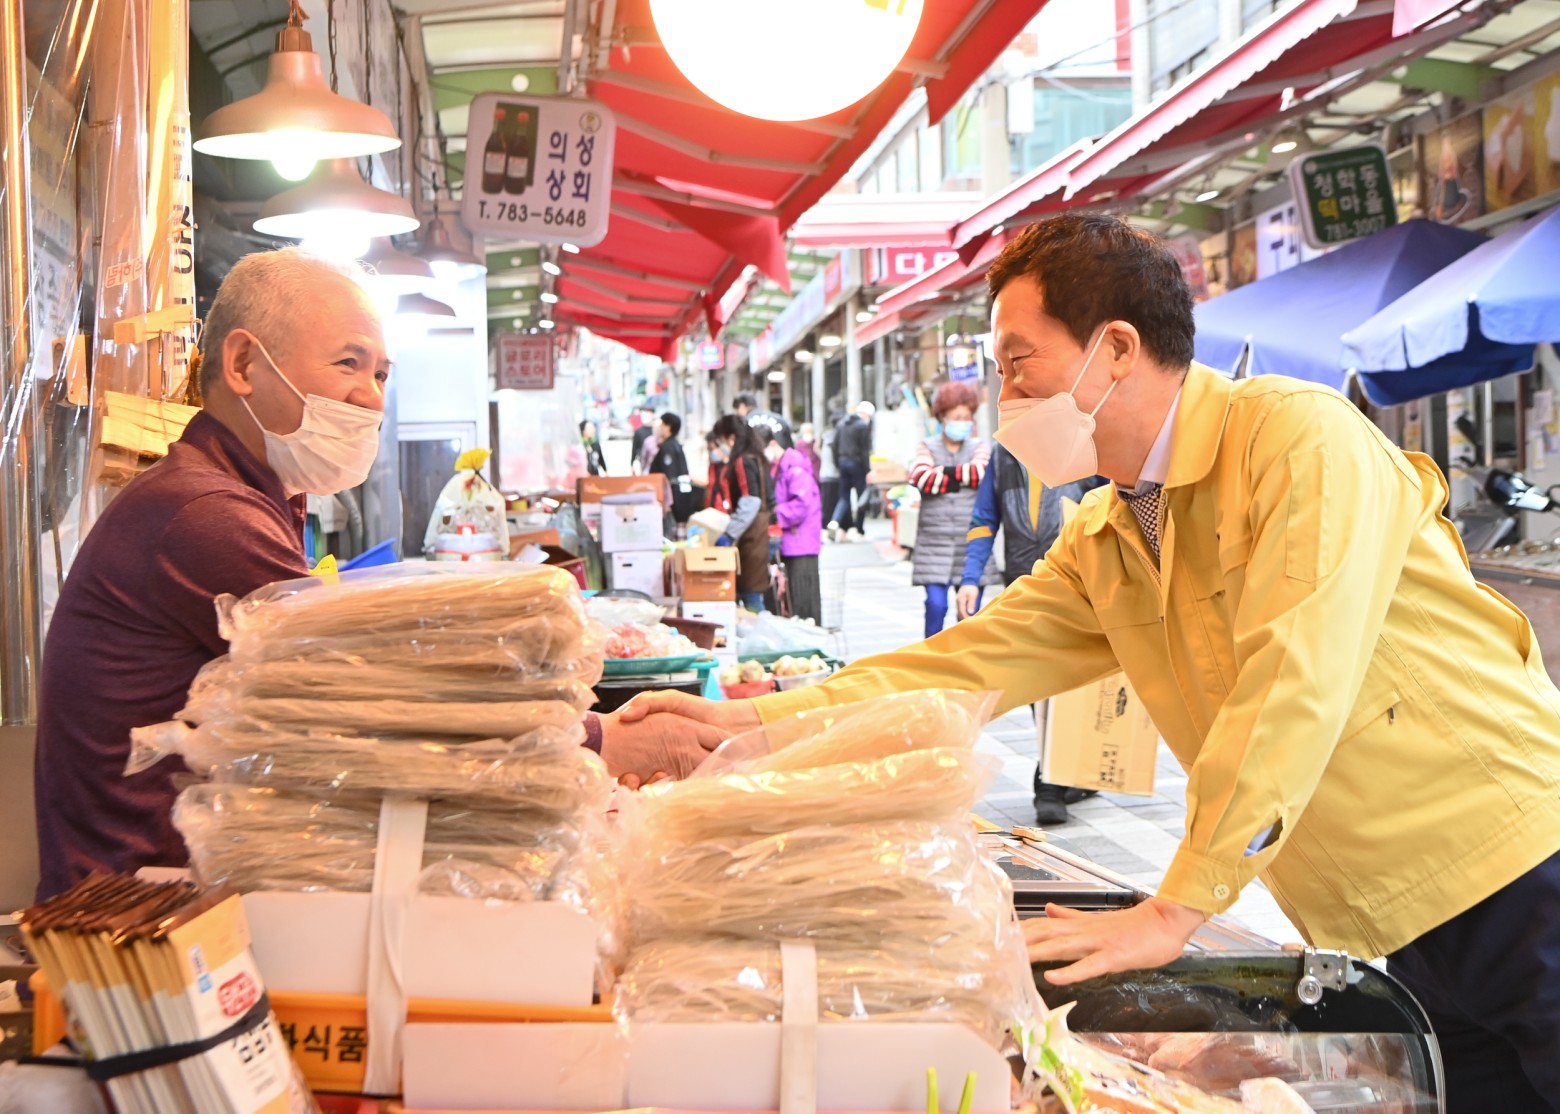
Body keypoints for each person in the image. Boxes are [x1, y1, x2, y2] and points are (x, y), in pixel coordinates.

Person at [611, 213, 1560, 1109]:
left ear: (1115, 348)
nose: (1006, 400)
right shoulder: (1109, 531)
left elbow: (1294, 679)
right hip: (1396, 916)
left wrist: (1174, 909)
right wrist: (746, 723)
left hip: (1521, 864)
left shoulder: (1296, 440)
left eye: (1019, 365)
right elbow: (960, 668)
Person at [31, 248, 714, 900]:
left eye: (382, 374)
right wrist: (599, 739)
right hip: (138, 924)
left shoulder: (249, 497)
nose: (371, 398)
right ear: (242, 364)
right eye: (348, 364)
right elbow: (383, 696)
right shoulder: (204, 514)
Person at [957, 444, 1106, 825]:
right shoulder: (1004, 456)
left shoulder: (1082, 448)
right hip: (1023, 582)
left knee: (1067, 681)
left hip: (1078, 583)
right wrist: (971, 578)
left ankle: (1052, 781)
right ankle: (1058, 775)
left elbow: (1115, 507)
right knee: (1038, 680)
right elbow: (984, 519)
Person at [908, 383, 997, 639]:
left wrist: (943, 475)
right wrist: (962, 478)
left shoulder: (980, 446)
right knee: (936, 606)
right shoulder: (927, 446)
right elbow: (921, 477)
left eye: (967, 417)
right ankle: (930, 658)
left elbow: (980, 472)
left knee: (969, 614)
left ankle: (964, 660)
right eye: (957, 417)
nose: (963, 423)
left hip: (970, 544)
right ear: (942, 417)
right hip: (933, 544)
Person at [758, 426, 823, 624]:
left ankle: (809, 637)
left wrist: (773, 515)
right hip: (792, 540)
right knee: (793, 599)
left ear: (772, 444)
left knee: (803, 601)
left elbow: (801, 505)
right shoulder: (780, 467)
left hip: (800, 542)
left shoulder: (794, 468)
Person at [708, 414, 773, 612]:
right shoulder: (758, 457)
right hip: (761, 530)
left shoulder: (742, 461)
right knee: (753, 591)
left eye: (721, 440)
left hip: (753, 533)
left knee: (751, 593)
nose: (721, 446)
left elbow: (751, 501)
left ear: (731, 438)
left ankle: (759, 628)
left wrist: (729, 534)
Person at [828, 401, 874, 540]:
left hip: (843, 463)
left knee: (844, 497)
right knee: (862, 496)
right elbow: (865, 450)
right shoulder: (862, 426)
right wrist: (868, 469)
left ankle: (835, 521)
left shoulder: (841, 424)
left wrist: (838, 463)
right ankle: (859, 529)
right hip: (857, 464)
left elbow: (834, 446)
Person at [647, 411, 695, 524]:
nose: (660, 428)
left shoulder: (668, 447)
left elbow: (669, 476)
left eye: (662, 424)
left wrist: (667, 500)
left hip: (673, 498)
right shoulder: (674, 444)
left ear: (668, 427)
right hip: (680, 496)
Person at [629, 405, 658, 470]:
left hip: (657, 462)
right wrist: (632, 464)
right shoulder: (639, 431)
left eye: (649, 413)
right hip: (643, 463)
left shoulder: (657, 430)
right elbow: (634, 448)